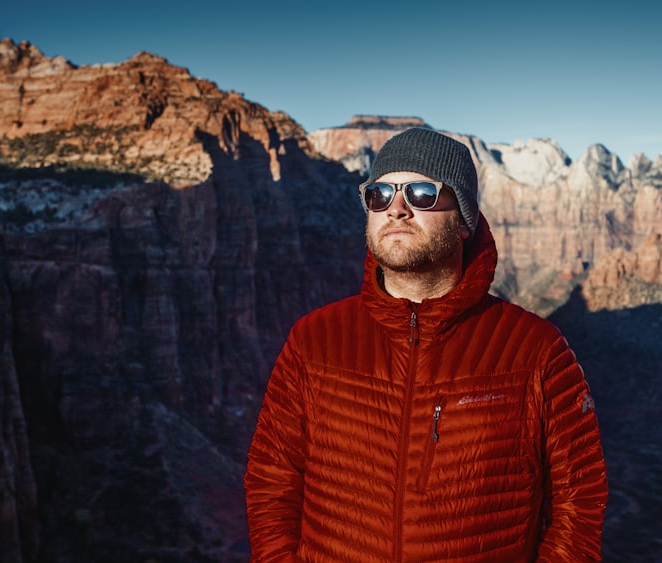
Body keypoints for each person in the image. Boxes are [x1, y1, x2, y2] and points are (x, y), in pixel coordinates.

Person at [244, 127, 608, 561]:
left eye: (421, 192)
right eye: (379, 194)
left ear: (464, 221)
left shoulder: (536, 351)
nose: (396, 209)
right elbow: (271, 481)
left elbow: (579, 504)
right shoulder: (313, 341)